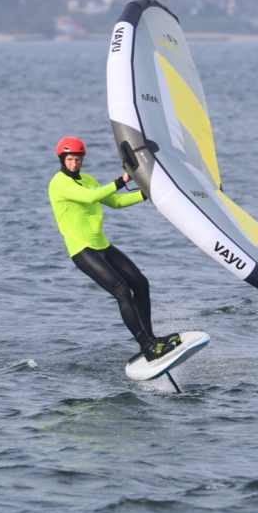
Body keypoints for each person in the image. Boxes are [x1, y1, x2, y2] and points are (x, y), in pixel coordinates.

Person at [48, 136, 181, 361]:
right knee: (121, 290)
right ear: (62, 159)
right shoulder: (59, 183)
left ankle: (152, 339)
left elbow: (115, 202)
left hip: (103, 245)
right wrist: (121, 180)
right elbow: (90, 197)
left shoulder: (87, 179)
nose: (74, 163)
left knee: (140, 283)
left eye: (78, 159)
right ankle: (147, 347)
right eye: (70, 159)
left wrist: (147, 193)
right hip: (82, 250)